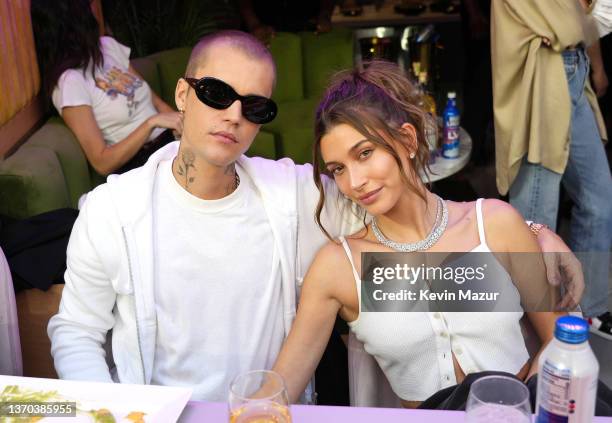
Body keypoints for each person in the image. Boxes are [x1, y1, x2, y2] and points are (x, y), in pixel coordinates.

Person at [48, 30, 582, 402]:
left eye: (255, 106)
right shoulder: (112, 211)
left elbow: (404, 222)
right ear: (182, 95)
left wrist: (528, 241)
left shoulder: (295, 195)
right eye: (216, 94)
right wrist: (110, 412)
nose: (234, 114)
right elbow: (75, 332)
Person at [267, 60, 563, 407]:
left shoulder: (494, 225)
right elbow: (279, 389)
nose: (354, 182)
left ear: (407, 139)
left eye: (365, 153)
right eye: (338, 170)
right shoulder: (338, 267)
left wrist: (520, 406)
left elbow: (561, 336)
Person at [491, 0, 612, 340]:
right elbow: (574, 24)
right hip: (541, 79)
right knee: (533, 221)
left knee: (600, 199)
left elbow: (577, 22)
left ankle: (586, 315)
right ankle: (526, 336)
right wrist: (586, 19)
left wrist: (594, 57)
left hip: (575, 67)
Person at [31, 0, 183, 176]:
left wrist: (183, 129)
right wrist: (152, 123)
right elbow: (102, 163)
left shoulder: (107, 47)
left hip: (169, 143)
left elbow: (156, 102)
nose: (94, 11)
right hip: (141, 163)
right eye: (88, 8)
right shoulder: (69, 82)